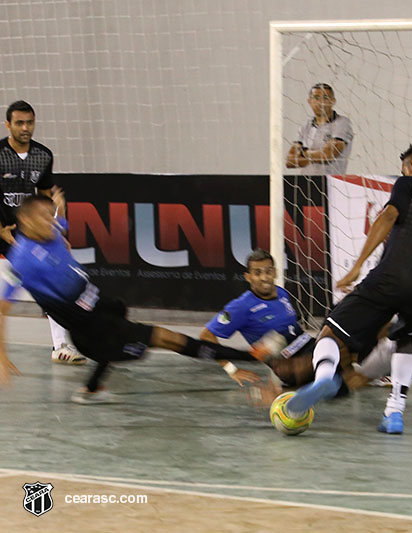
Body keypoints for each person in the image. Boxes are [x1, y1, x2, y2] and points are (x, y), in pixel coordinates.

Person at [281, 143, 412, 434]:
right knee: (408, 339)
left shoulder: (411, 184)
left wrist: (358, 265)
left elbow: (388, 215)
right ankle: (394, 412)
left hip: (392, 278)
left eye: (404, 168)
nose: (402, 172)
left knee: (331, 330)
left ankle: (324, 377)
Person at [0, 192, 266, 402]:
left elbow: (60, 225)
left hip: (100, 306)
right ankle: (251, 357)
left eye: (51, 215)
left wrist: (59, 210)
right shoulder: (20, 259)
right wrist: (1, 355)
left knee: (119, 308)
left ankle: (92, 389)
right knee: (168, 339)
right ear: (25, 222)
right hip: (92, 331)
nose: (51, 221)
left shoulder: (52, 230)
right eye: (43, 217)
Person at [1, 100, 85, 365]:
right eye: (20, 123)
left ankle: (61, 346)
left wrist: (58, 231)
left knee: (50, 286)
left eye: (30, 122)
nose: (26, 128)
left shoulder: (43, 155)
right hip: (1, 230)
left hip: (28, 235)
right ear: (8, 125)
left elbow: (45, 198)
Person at [200, 248, 317, 392]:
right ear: (248, 277)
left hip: (311, 348)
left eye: (268, 271)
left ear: (275, 272)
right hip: (292, 366)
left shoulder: (281, 292)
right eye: (257, 273)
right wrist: (232, 369)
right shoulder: (240, 307)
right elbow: (206, 335)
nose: (264, 277)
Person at [285, 83, 354, 175]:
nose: (321, 102)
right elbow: (290, 162)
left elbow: (329, 154)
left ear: (333, 101)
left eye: (325, 98)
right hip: (305, 184)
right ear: (310, 101)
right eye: (317, 98)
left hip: (332, 183)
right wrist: (316, 155)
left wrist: (303, 153)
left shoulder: (342, 123)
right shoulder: (306, 127)